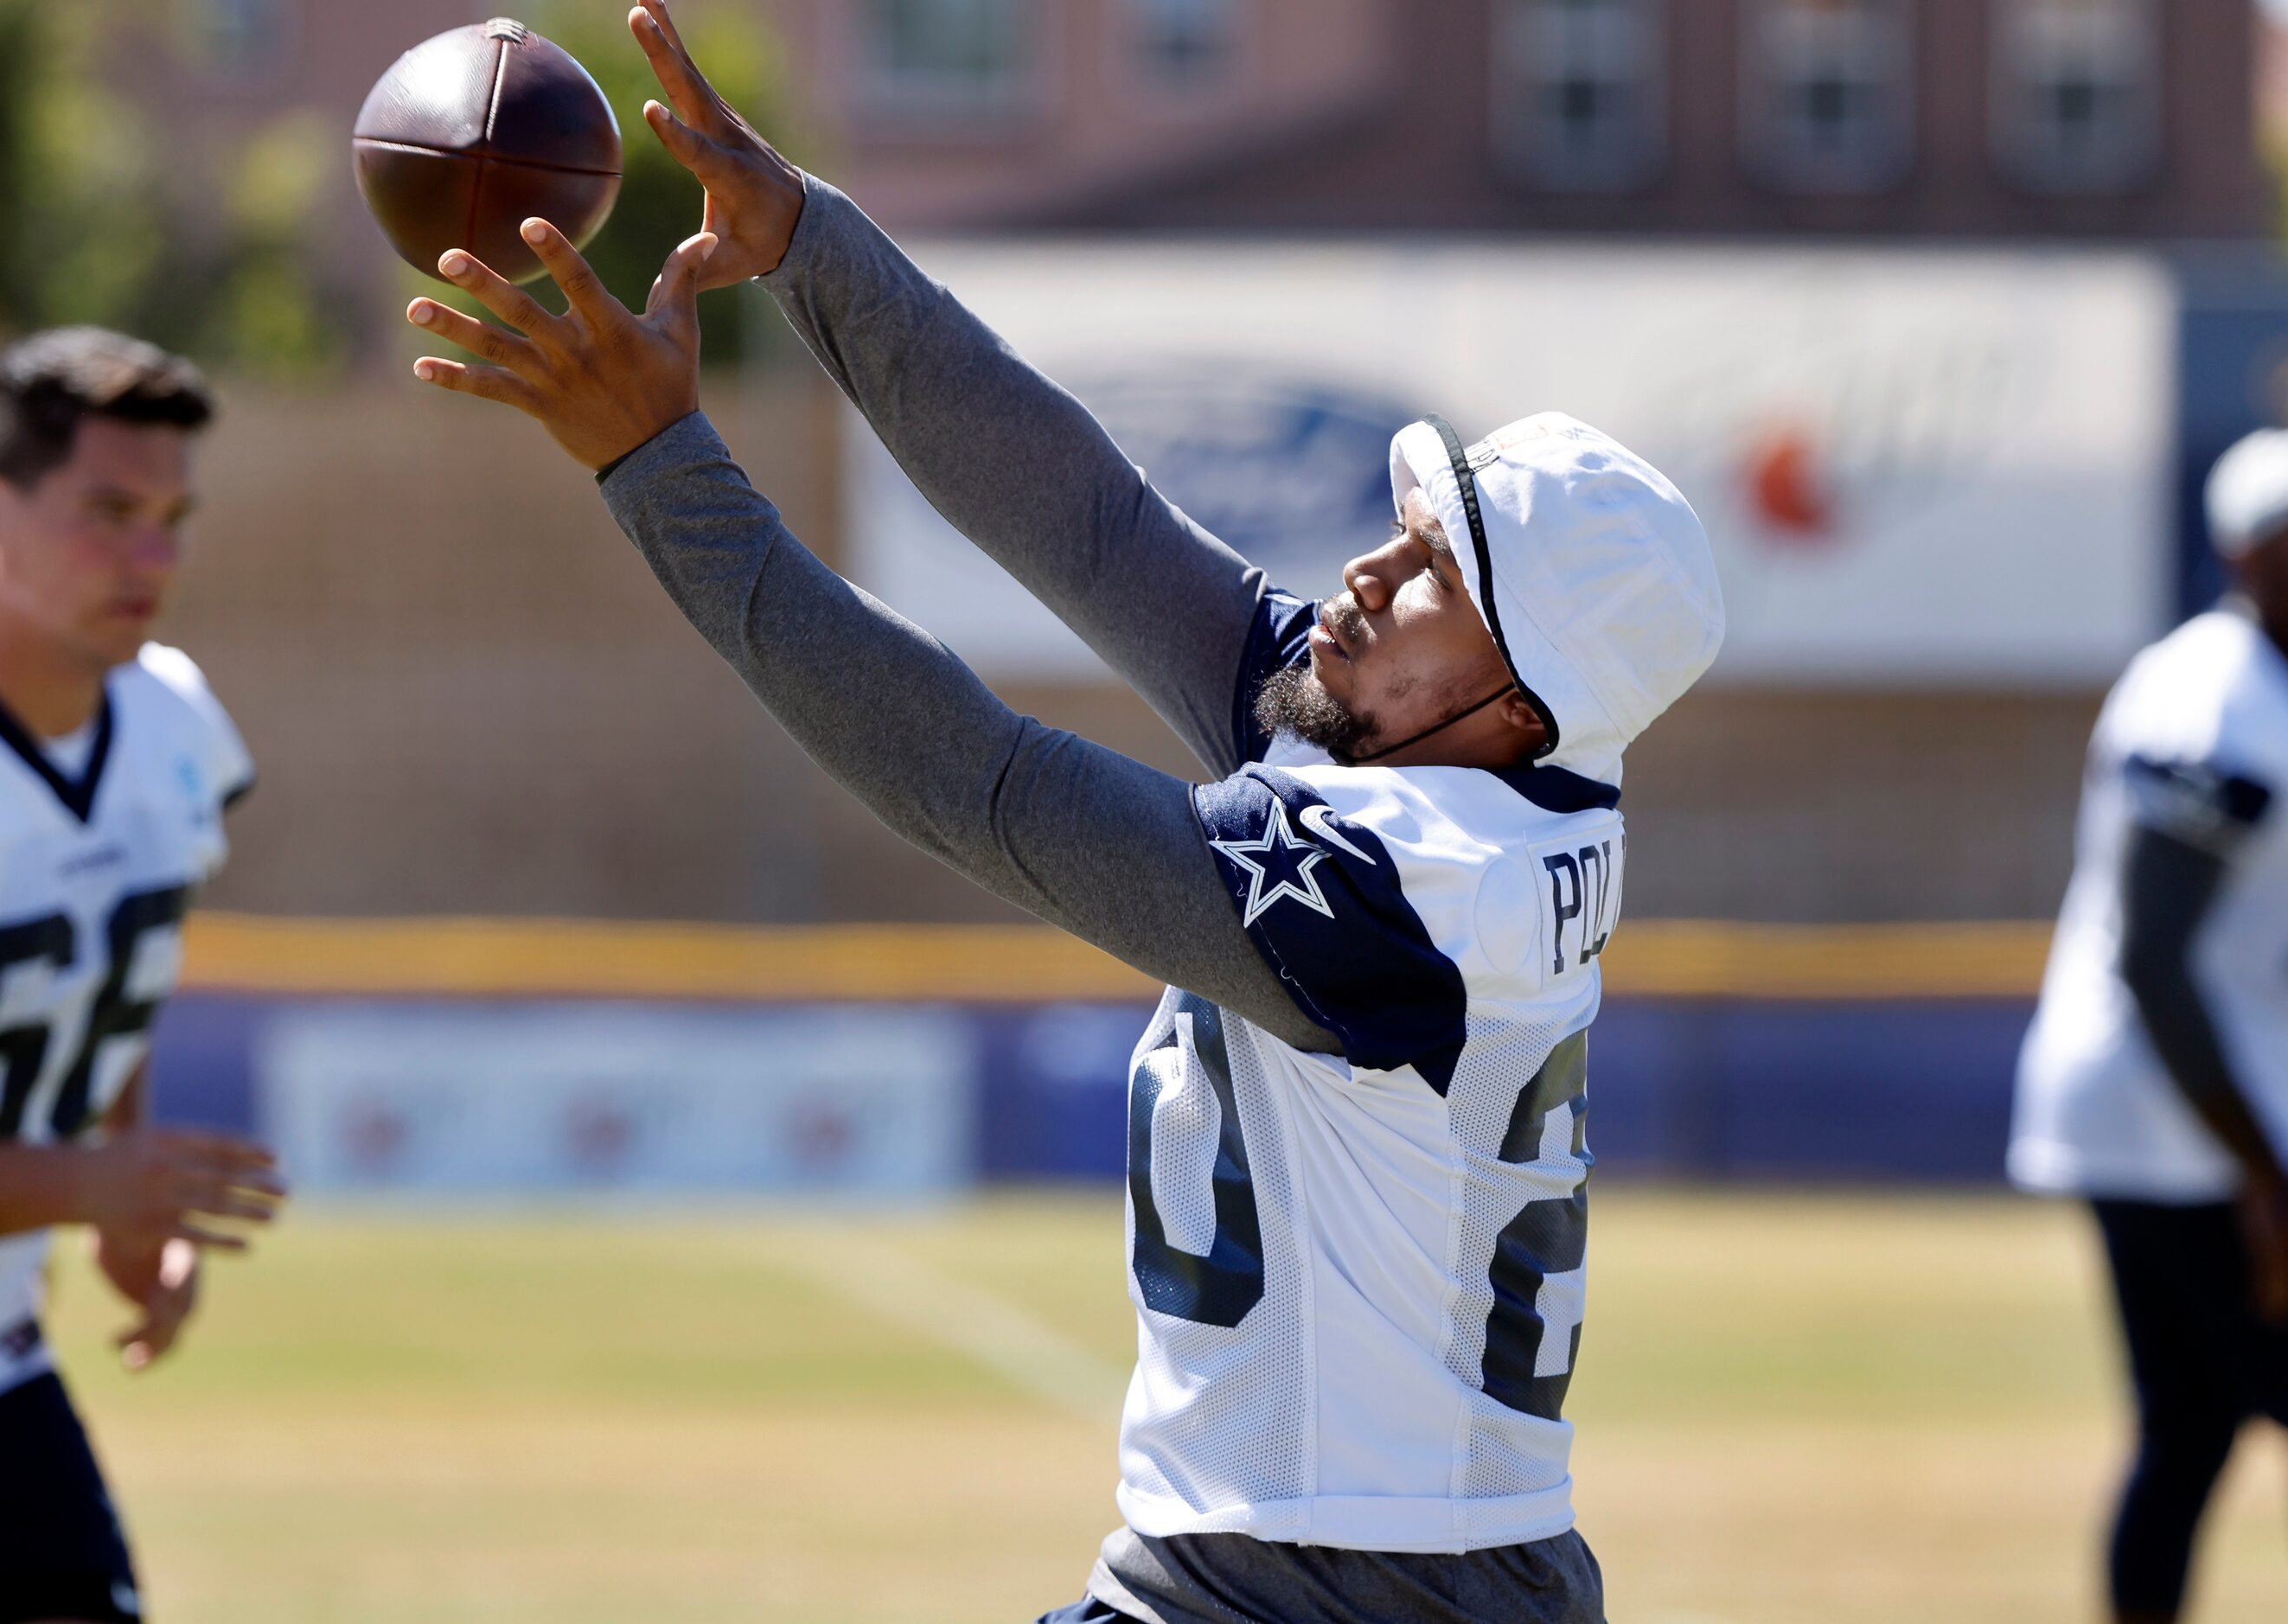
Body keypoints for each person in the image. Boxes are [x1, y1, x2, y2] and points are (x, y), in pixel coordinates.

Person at [406, 5, 1722, 1617]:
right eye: (1406, 528)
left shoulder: (1424, 877)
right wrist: (814, 244)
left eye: (1439, 573)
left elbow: (984, 783)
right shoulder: (1450, 761)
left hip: (1341, 1580)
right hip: (1345, 1559)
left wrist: (663, 467)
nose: (1372, 570)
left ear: (1518, 699)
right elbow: (1093, 525)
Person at [2010, 425, 2288, 1624]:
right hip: (2167, 1110)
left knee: (2186, 1428)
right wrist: (2271, 1176)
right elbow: (2157, 959)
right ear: (2242, 553)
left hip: (2215, 1104)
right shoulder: (2205, 698)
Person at [0, 328, 284, 1624]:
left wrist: (121, 1180)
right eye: (108, 512)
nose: (151, 559)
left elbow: (111, 962)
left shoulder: (173, 720)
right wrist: (87, 1180)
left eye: (172, 519)